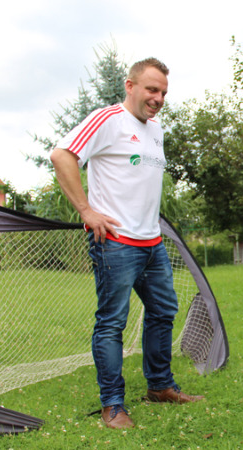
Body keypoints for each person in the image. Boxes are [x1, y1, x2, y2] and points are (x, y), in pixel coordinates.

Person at [50, 57, 204, 430]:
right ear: (130, 86)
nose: (158, 98)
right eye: (152, 89)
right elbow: (62, 155)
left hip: (151, 242)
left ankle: (160, 386)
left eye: (163, 92)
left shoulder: (156, 130)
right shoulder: (107, 120)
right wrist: (86, 210)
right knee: (111, 323)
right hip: (115, 243)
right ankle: (113, 407)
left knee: (164, 310)